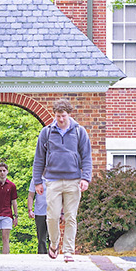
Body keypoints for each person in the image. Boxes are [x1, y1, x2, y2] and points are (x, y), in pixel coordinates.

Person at [31, 98, 92, 262]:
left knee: (71, 216)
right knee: (52, 216)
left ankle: (68, 250)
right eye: (58, 116)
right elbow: (39, 158)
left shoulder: (79, 132)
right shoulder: (47, 132)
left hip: (74, 180)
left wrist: (85, 177)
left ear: (69, 114)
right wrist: (37, 181)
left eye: (63, 116)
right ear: (55, 115)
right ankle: (54, 244)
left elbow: (86, 156)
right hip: (53, 180)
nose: (60, 119)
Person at [32, 169, 49, 255]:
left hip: (52, 212)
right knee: (41, 238)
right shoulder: (36, 179)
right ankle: (42, 256)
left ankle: (53, 254)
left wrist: (61, 212)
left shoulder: (53, 178)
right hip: (39, 212)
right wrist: (29, 210)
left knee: (53, 237)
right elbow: (31, 195)